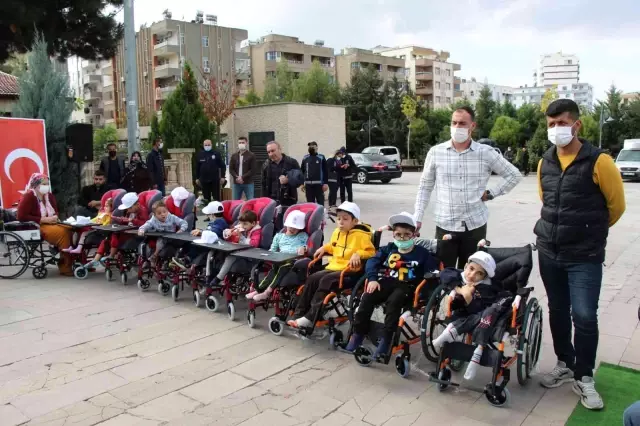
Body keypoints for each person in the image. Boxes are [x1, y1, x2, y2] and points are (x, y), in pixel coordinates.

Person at [535, 99, 626, 411]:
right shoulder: (545, 161)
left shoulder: (600, 162)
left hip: (584, 256)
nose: (555, 129)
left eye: (561, 122)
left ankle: (584, 375)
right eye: (551, 124)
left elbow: (616, 207)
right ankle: (564, 362)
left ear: (576, 125)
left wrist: (588, 230)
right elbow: (546, 200)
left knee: (585, 316)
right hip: (549, 250)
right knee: (558, 310)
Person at [413, 106, 522, 269]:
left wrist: (491, 193)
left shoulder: (485, 152)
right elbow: (425, 186)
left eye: (462, 123)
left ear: (472, 126)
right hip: (445, 224)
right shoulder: (436, 152)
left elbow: (514, 175)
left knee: (471, 276)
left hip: (475, 226)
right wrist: (418, 216)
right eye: (454, 123)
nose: (457, 127)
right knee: (444, 273)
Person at [345, 212, 439, 358]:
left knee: (394, 301)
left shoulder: (422, 253)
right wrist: (372, 278)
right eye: (398, 234)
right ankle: (358, 334)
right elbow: (372, 261)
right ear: (393, 234)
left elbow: (432, 273)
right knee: (367, 297)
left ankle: (386, 339)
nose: (402, 238)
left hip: (407, 286)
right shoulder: (388, 248)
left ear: (414, 234)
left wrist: (425, 292)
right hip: (386, 281)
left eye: (407, 234)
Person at [287, 202, 376, 329]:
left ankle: (310, 317)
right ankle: (298, 314)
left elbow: (371, 252)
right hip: (335, 266)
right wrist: (324, 247)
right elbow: (333, 245)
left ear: (355, 221)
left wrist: (358, 254)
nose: (340, 222)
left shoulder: (362, 235)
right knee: (312, 278)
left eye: (345, 219)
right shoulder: (337, 232)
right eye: (339, 218)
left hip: (350, 271)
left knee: (325, 280)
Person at [431, 251, 506, 380]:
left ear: (484, 277)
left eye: (479, 274)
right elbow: (444, 273)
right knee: (463, 315)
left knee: (485, 315)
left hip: (483, 318)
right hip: (462, 314)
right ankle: (453, 332)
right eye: (471, 269)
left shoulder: (486, 288)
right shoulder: (460, 275)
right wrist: (460, 289)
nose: (472, 275)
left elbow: (478, 310)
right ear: (465, 266)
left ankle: (456, 333)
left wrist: (469, 297)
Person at [16, 173, 74, 275]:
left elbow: (55, 211)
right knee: (63, 232)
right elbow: (21, 216)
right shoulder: (29, 197)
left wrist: (55, 217)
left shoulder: (50, 196)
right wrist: (42, 219)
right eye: (44, 184)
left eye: (47, 184)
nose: (46, 186)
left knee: (72, 229)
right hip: (37, 226)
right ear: (36, 185)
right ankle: (65, 266)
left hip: (52, 223)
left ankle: (73, 261)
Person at [247, 210, 309, 302]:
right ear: (286, 224)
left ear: (300, 228)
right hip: (280, 260)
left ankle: (267, 292)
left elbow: (306, 246)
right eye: (290, 226)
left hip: (293, 262)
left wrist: (304, 248)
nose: (292, 229)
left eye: (296, 228)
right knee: (273, 269)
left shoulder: (302, 235)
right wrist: (267, 256)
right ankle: (258, 290)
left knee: (281, 269)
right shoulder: (279, 236)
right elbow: (272, 250)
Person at [88, 192, 149, 267]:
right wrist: (118, 219)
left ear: (137, 205)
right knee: (106, 239)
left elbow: (145, 223)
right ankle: (96, 259)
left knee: (115, 234)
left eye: (129, 208)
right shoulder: (130, 212)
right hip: (127, 231)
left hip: (135, 234)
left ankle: (111, 255)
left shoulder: (143, 211)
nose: (128, 210)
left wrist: (132, 220)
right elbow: (126, 220)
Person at [207, 210, 262, 288]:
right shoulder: (241, 227)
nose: (242, 226)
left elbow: (254, 244)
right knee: (212, 252)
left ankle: (219, 278)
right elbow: (228, 237)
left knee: (231, 257)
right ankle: (208, 275)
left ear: (253, 223)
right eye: (240, 223)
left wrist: (241, 237)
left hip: (250, 255)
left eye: (245, 224)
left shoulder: (256, 231)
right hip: (238, 249)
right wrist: (229, 233)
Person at [196, 139, 226, 203]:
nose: (207, 146)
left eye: (208, 145)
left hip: (215, 180)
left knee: (216, 198)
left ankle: (217, 213)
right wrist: (197, 178)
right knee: (206, 198)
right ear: (203, 145)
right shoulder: (200, 154)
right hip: (204, 180)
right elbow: (197, 167)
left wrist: (223, 176)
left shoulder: (216, 154)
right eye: (205, 145)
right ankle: (207, 212)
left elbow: (222, 166)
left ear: (211, 145)